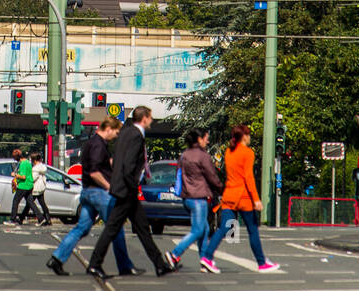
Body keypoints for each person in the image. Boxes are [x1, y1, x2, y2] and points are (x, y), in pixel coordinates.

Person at [85, 106, 174, 279]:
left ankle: (160, 265)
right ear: (145, 118)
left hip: (124, 188)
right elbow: (128, 165)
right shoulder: (135, 135)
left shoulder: (125, 133)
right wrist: (132, 187)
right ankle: (94, 264)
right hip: (127, 190)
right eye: (151, 117)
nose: (152, 121)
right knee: (112, 228)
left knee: (142, 228)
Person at [47, 120, 140, 277]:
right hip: (99, 193)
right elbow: (95, 172)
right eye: (116, 133)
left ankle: (57, 258)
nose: (115, 136)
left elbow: (100, 165)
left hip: (88, 192)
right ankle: (122, 266)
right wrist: (108, 186)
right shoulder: (98, 145)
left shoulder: (92, 144)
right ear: (109, 129)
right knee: (115, 228)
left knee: (81, 228)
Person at [199, 124, 280, 274]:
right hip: (243, 198)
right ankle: (262, 263)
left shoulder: (229, 152)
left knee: (224, 228)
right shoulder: (247, 153)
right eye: (248, 135)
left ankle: (207, 257)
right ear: (244, 136)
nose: (249, 137)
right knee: (252, 230)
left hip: (229, 195)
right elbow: (248, 177)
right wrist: (256, 199)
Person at [163, 127, 222, 270]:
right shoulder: (203, 156)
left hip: (187, 197)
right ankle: (175, 254)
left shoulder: (184, 155)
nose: (208, 141)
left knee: (205, 229)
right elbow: (212, 177)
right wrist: (221, 189)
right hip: (198, 198)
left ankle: (205, 260)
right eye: (206, 138)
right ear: (199, 139)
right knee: (198, 230)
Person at [12, 149, 37, 224]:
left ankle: (12, 219)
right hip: (29, 185)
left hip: (23, 186)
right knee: (30, 203)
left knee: (15, 201)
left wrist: (15, 175)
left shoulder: (22, 164)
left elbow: (23, 177)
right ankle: (41, 218)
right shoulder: (28, 162)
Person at [30, 154, 52, 225]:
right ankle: (48, 219)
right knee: (42, 203)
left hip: (35, 188)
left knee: (30, 203)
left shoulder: (35, 169)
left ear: (35, 160)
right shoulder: (42, 167)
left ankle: (41, 218)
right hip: (41, 187)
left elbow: (33, 178)